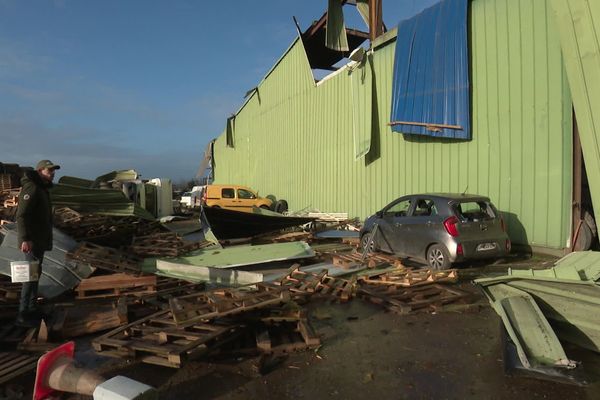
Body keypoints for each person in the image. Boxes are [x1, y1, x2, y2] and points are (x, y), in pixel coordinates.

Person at [15, 160, 60, 327]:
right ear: (40, 171)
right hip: (32, 241)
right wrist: (24, 238)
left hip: (39, 241)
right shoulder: (32, 188)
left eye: (53, 170)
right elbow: (21, 215)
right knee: (29, 276)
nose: (53, 173)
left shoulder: (42, 188)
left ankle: (32, 308)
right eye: (50, 170)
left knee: (35, 275)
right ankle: (23, 313)